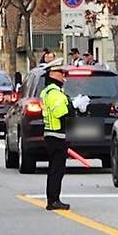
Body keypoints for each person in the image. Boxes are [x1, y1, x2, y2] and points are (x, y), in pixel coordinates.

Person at [40, 59, 72, 211]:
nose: (63, 76)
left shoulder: (47, 91)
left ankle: (52, 199)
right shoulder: (54, 93)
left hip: (51, 133)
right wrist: (73, 106)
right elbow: (61, 113)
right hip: (57, 135)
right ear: (52, 74)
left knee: (54, 169)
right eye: (60, 73)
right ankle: (54, 200)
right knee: (57, 170)